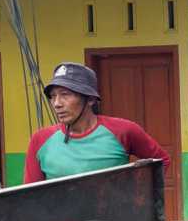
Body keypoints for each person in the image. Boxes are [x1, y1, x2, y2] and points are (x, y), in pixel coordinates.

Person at [24, 62, 170, 182]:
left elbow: (161, 161)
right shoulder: (40, 140)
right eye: (53, 96)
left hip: (113, 218)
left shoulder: (123, 130)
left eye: (65, 95)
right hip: (61, 218)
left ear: (90, 99)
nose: (57, 103)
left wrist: (136, 195)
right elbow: (30, 195)